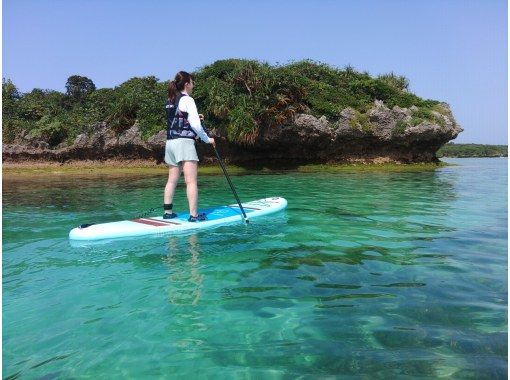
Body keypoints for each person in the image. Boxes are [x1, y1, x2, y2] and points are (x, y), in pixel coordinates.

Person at [163, 71, 215, 222]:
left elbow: (179, 118)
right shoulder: (188, 100)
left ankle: (167, 213)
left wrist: (195, 117)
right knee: (191, 181)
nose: (194, 85)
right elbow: (196, 126)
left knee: (172, 180)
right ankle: (194, 216)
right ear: (187, 84)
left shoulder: (171, 99)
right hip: (184, 143)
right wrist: (208, 140)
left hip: (170, 143)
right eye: (192, 82)